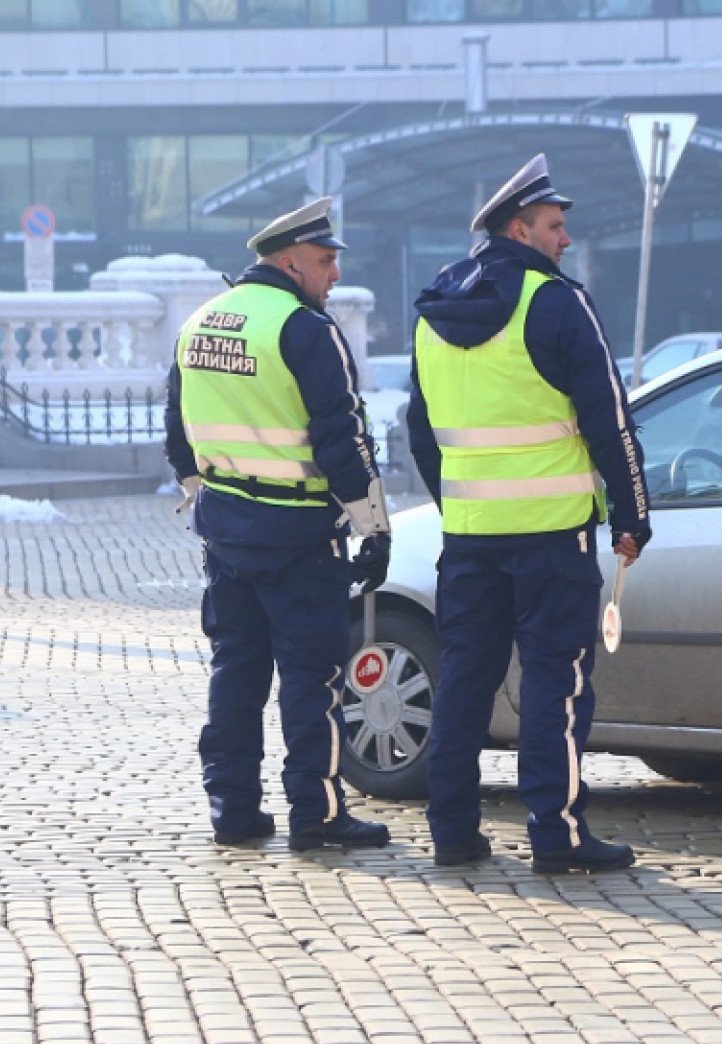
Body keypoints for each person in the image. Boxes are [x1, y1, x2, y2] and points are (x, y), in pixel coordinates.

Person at [408, 155, 652, 873]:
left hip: (470, 538)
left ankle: (452, 832)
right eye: (555, 226)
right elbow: (610, 420)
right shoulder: (555, 302)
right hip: (551, 538)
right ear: (520, 229)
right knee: (555, 683)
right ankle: (558, 836)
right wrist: (631, 513)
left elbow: (421, 433)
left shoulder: (431, 315)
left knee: (463, 682)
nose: (565, 240)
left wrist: (460, 501)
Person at [163, 195, 395, 853]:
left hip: (226, 530)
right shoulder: (305, 329)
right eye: (325, 261)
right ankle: (315, 816)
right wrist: (373, 528)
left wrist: (207, 498)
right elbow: (341, 442)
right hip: (298, 536)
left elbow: (176, 431)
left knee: (235, 673)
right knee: (310, 679)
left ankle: (233, 812)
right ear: (289, 263)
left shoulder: (200, 323)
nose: (335, 276)